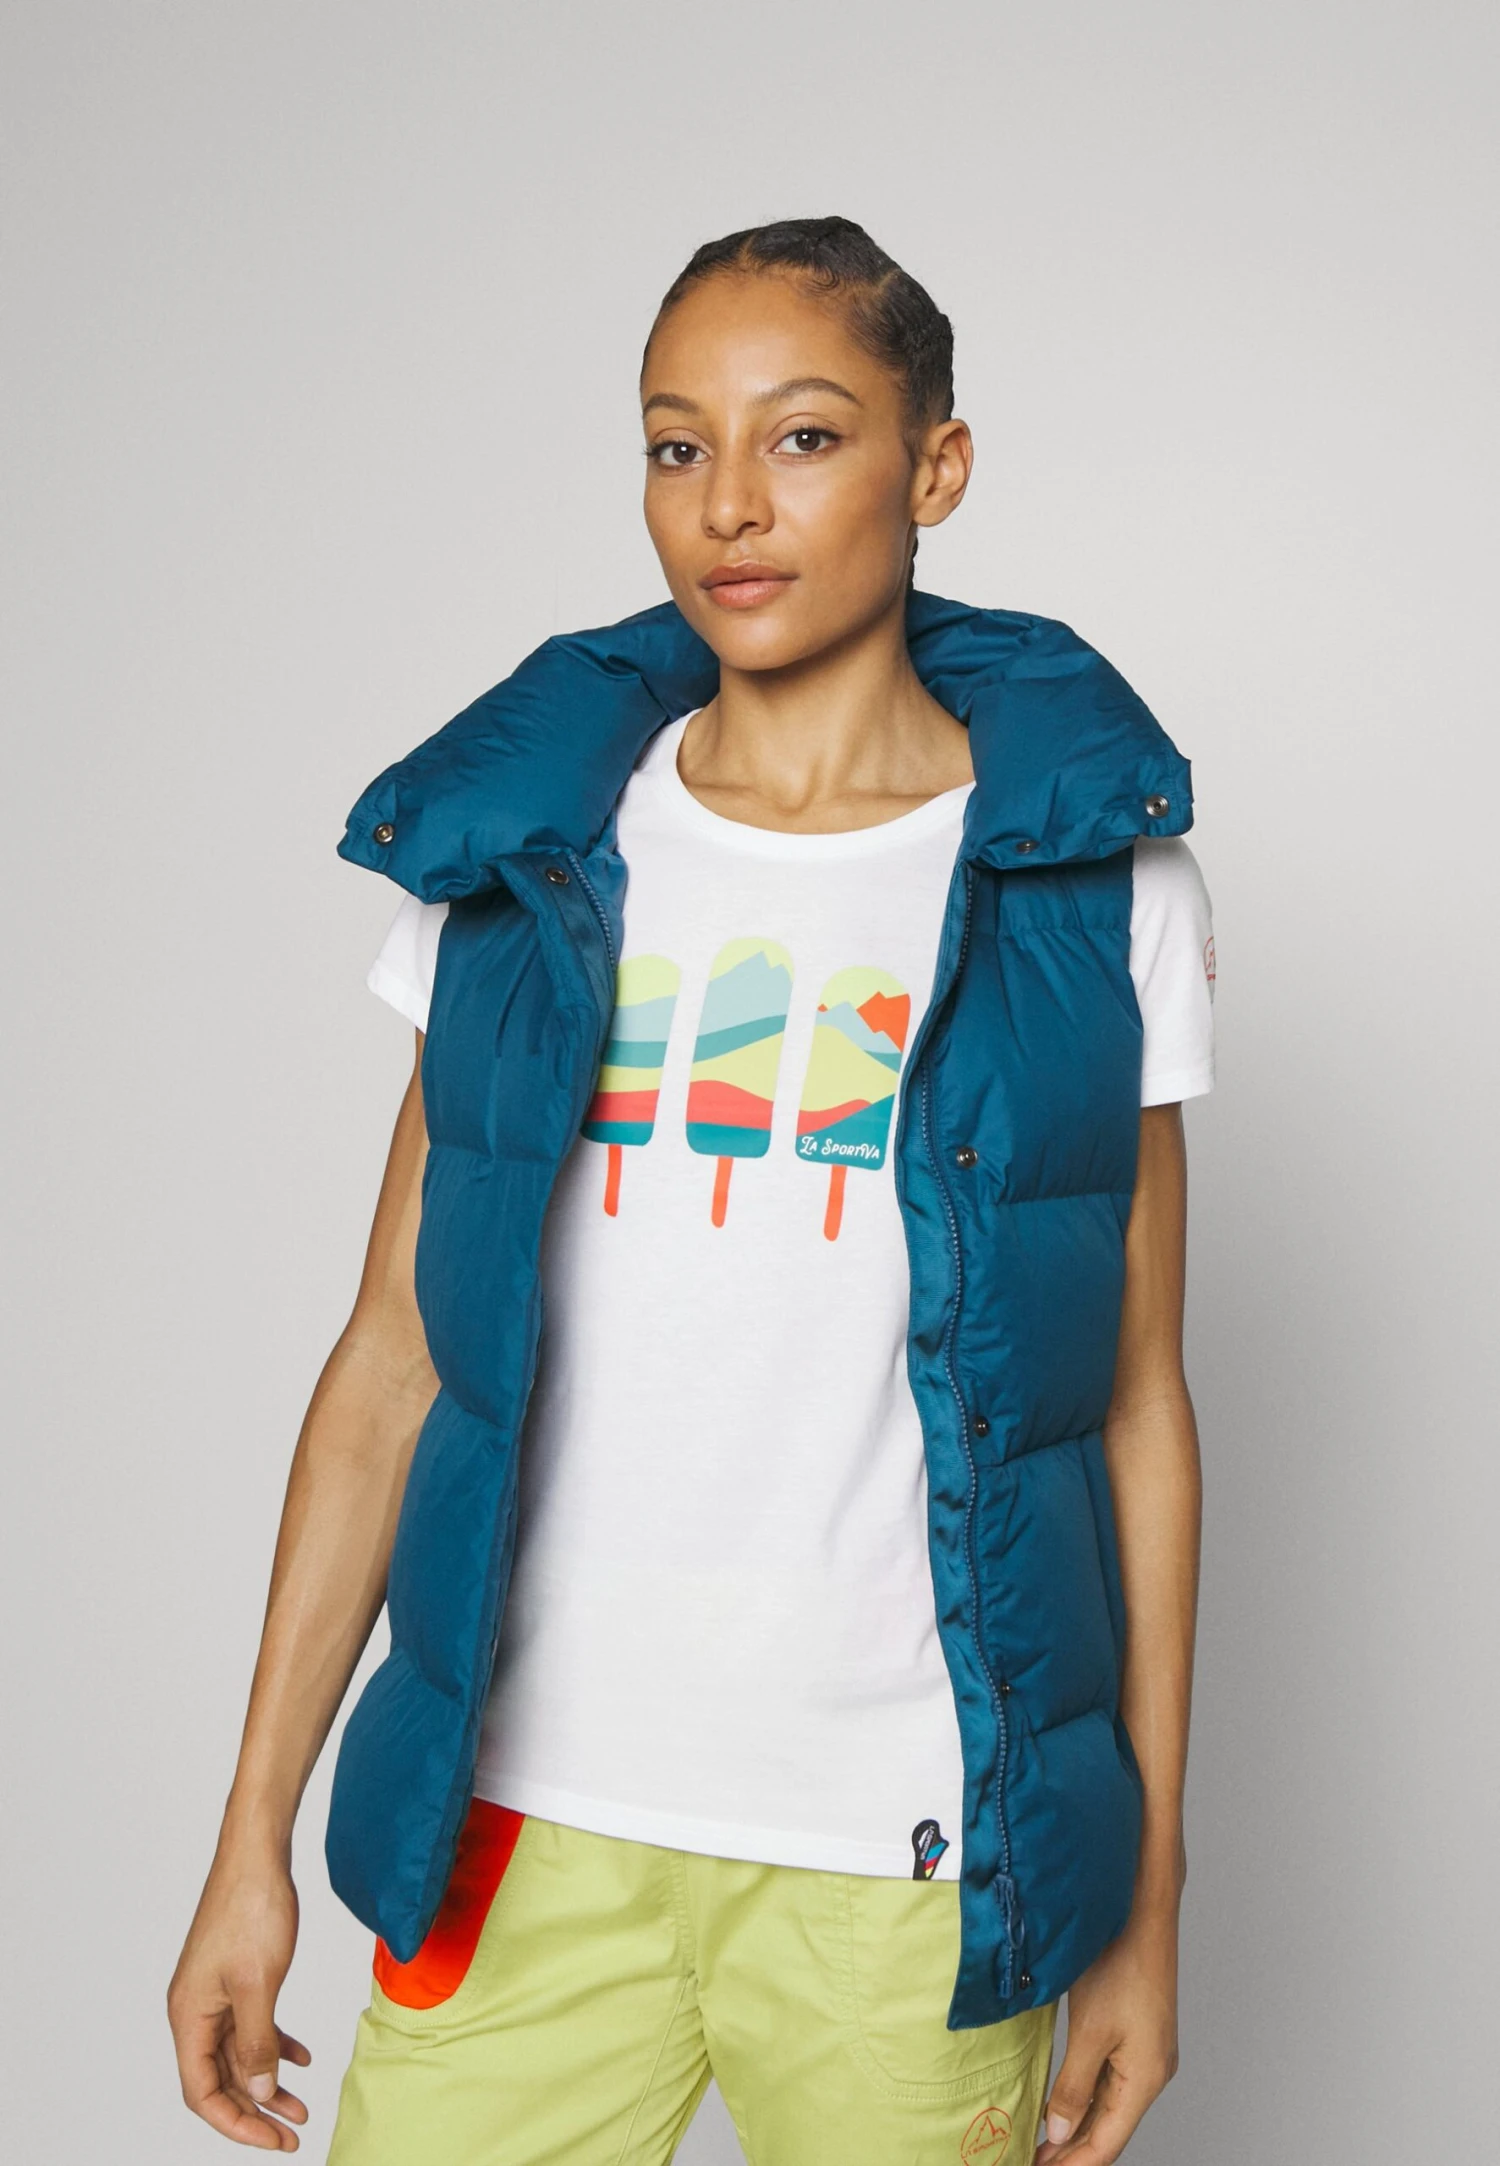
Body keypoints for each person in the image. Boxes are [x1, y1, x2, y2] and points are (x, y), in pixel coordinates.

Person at [168, 216, 1212, 2165]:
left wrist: (1146, 1904)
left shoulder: (1086, 887)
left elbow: (1135, 1407)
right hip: (518, 1828)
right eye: (676, 444)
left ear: (936, 468)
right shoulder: (530, 860)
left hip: (906, 1875)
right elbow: (391, 1362)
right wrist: (251, 1840)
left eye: (804, 437)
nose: (730, 502)